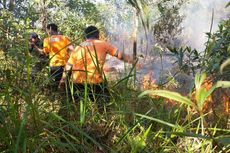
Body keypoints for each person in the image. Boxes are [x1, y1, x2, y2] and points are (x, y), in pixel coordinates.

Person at [59, 25, 138, 111]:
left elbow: (69, 65)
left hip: (77, 82)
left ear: (85, 36)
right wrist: (133, 60)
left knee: (75, 107)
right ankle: (104, 120)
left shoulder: (79, 47)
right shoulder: (103, 44)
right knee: (104, 106)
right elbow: (120, 55)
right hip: (95, 82)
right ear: (98, 35)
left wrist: (62, 81)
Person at [40, 23, 75, 88]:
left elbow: (45, 52)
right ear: (56, 30)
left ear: (49, 30)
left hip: (54, 66)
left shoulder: (47, 40)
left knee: (55, 85)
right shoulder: (65, 38)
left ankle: (57, 97)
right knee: (66, 85)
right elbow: (73, 50)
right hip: (66, 66)